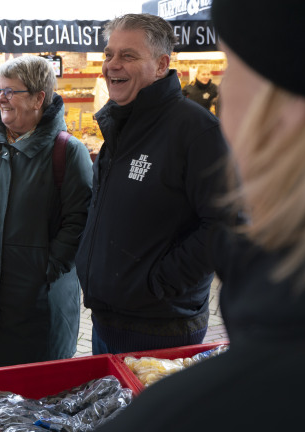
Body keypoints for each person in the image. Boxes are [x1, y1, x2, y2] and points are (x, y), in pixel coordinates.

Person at [95, 0, 305, 430]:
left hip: (159, 320)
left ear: (290, 108)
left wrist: (158, 282)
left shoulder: (192, 411)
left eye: (233, 65)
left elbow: (220, 220)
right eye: (109, 54)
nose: (223, 90)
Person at [75, 14, 231, 355]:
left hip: (160, 328)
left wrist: (158, 283)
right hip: (107, 319)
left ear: (161, 65)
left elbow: (228, 225)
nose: (112, 65)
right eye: (108, 54)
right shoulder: (120, 124)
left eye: (128, 56)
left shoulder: (196, 131)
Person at [0, 55, 93, 368]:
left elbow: (79, 220)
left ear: (39, 97)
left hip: (37, 297)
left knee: (34, 387)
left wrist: (49, 268)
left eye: (11, 91)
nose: (1, 97)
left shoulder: (67, 151)